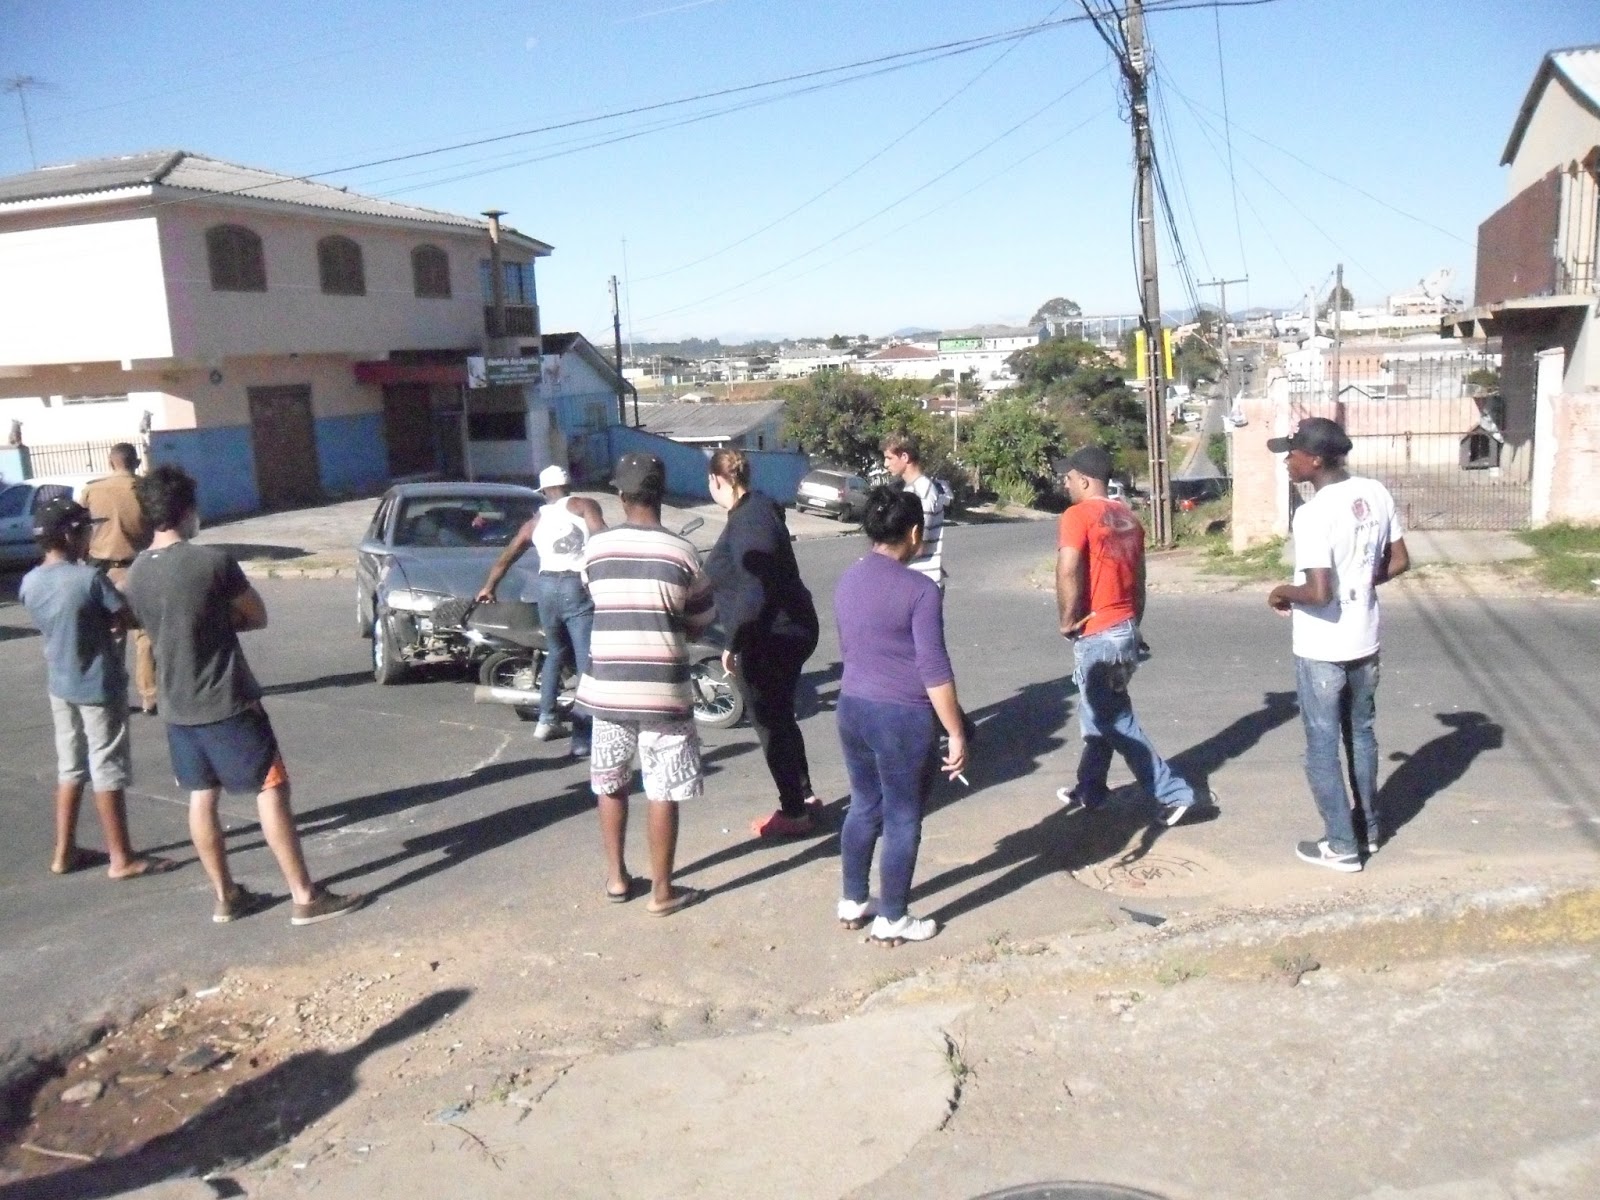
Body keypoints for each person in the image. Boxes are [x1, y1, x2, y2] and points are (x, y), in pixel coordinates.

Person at [124, 465, 364, 926]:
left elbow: (149, 626)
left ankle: (226, 895)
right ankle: (304, 895)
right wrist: (219, 621)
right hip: (226, 698)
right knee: (271, 789)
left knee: (202, 796)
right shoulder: (211, 562)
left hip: (177, 704)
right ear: (186, 510)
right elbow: (256, 615)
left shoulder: (135, 574)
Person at [574, 452, 716, 916]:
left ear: (620, 494)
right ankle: (662, 893)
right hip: (663, 692)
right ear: (661, 494)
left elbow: (593, 595)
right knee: (663, 790)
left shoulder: (596, 550)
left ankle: (617, 878)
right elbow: (701, 619)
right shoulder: (683, 552)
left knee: (610, 782)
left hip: (608, 689)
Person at [1267, 417, 1408, 872]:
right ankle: (1368, 830)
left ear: (1314, 460)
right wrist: (1362, 583)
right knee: (1361, 735)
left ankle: (1342, 845)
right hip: (1365, 638)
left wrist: (1280, 592)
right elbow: (1399, 561)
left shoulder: (1313, 513)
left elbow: (1318, 593)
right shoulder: (1375, 493)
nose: (1286, 462)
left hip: (1323, 648)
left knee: (1321, 747)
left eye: (1291, 454)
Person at [833, 485, 967, 946]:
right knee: (903, 817)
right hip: (902, 718)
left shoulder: (849, 579)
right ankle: (892, 917)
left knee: (863, 804)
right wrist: (955, 731)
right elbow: (933, 667)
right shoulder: (921, 590)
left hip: (852, 708)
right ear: (913, 532)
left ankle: (853, 900)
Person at [19, 498, 169, 880]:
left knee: (70, 767)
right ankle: (122, 858)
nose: (91, 535)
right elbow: (126, 616)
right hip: (99, 685)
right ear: (71, 535)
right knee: (107, 767)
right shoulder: (88, 579)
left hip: (61, 685)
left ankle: (64, 852)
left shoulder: (30, 581)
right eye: (87, 529)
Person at [1055, 445, 1199, 826]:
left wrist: (1067, 619)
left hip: (1098, 632)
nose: (1066, 484)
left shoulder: (1077, 516)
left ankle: (1173, 793)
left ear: (1085, 481)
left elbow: (1067, 568)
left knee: (1115, 721)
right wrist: (1133, 626)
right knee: (1096, 715)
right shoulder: (1129, 518)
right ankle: (1091, 789)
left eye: (1069, 478)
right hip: (1124, 628)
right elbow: (1139, 583)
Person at [704, 448, 824, 838]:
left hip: (772, 634)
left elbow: (756, 586)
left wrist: (734, 641)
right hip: (783, 629)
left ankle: (794, 811)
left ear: (717, 480)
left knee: (769, 721)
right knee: (780, 716)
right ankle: (802, 797)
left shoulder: (749, 521)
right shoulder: (756, 509)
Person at [477, 464, 607, 753]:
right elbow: (602, 536)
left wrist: (489, 586)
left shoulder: (536, 520)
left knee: (556, 651)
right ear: (568, 485)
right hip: (576, 585)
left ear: (545, 491)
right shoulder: (584, 505)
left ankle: (546, 719)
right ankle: (583, 736)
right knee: (586, 661)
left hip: (546, 587)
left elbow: (508, 555)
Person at [82, 442, 158, 715]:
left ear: (110, 462)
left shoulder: (91, 491)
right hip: (139, 568)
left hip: (102, 571)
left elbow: (80, 531)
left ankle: (114, 696)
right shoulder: (144, 489)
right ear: (136, 463)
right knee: (145, 635)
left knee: (112, 636)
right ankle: (150, 695)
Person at [881, 432, 945, 588]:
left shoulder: (922, 492)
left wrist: (883, 557)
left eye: (889, 458)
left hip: (922, 583)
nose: (885, 464)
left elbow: (918, 545)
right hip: (912, 580)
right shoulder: (909, 489)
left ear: (905, 457)